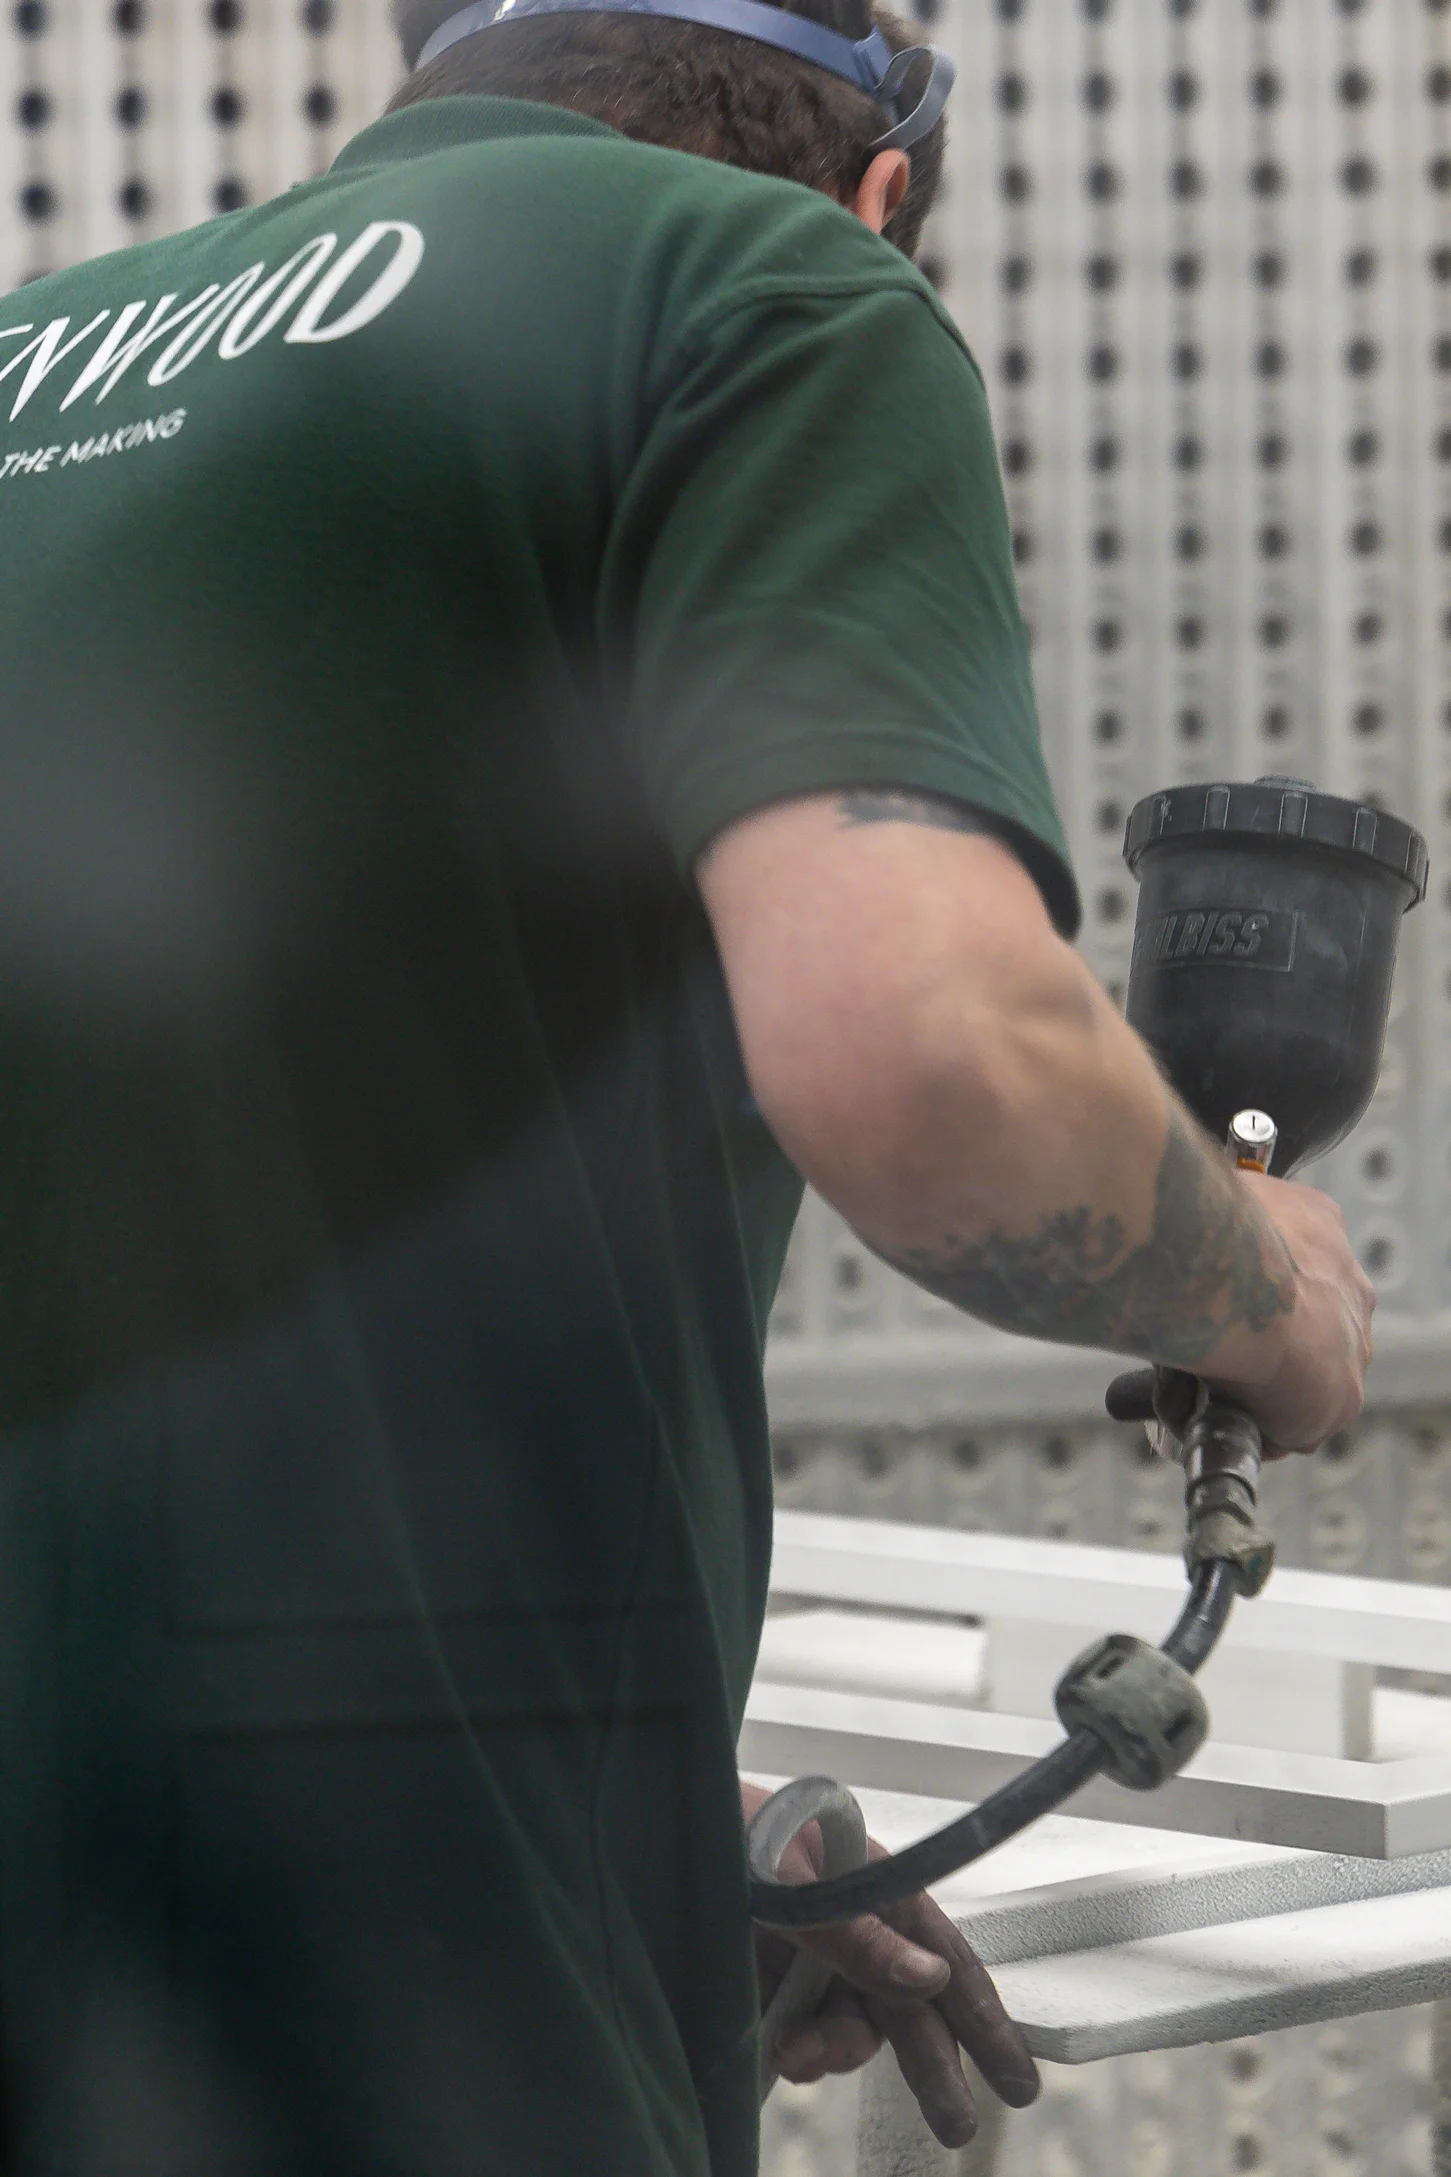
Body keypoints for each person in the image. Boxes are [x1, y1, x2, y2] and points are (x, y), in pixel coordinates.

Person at [0, 0, 1373, 2168]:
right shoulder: (754, 286)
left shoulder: (40, 355)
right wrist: (1272, 1299)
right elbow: (926, 1056)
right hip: (389, 2021)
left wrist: (671, 1801)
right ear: (881, 187)